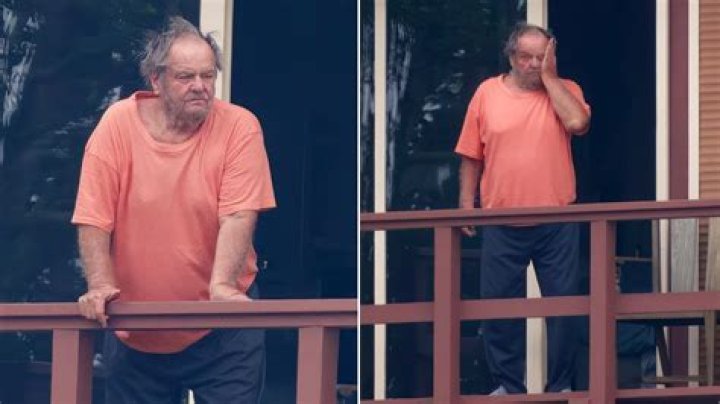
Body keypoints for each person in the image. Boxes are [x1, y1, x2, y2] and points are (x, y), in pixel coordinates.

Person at [72, 16, 275, 403]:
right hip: (135, 332)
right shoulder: (117, 124)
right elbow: (94, 217)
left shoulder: (240, 126)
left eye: (208, 75)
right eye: (186, 77)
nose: (200, 86)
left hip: (222, 331)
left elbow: (238, 215)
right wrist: (99, 285)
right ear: (156, 80)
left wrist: (222, 288)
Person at [455, 22, 590, 395]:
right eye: (526, 57)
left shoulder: (566, 89)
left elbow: (578, 122)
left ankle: (560, 387)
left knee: (564, 309)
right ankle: (507, 386)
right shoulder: (487, 93)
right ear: (511, 57)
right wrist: (466, 204)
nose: (532, 64)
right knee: (498, 308)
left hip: (557, 219)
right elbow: (471, 154)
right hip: (501, 219)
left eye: (540, 57)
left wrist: (550, 77)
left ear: (551, 57)